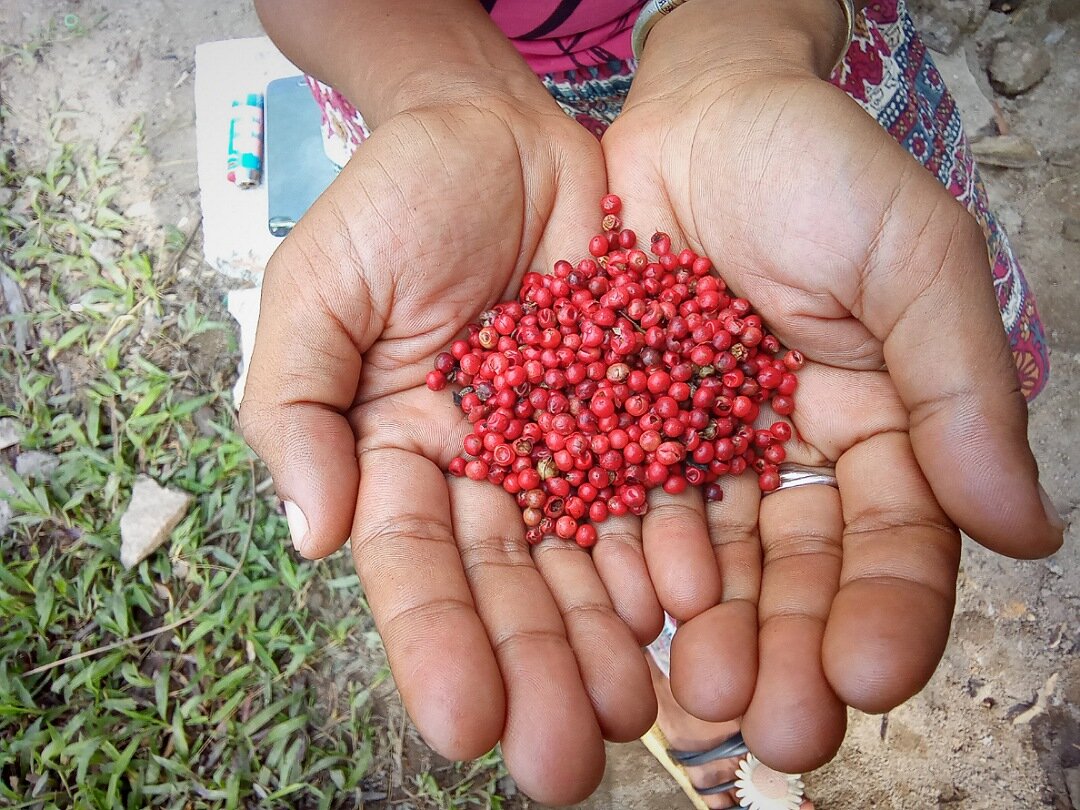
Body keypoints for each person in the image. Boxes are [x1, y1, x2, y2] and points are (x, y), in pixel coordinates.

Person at [240, 1, 1064, 806]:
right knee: (630, 591)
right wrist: (446, 91)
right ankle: (672, 692)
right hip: (439, 111)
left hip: (776, 68)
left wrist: (740, 42)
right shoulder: (550, 349)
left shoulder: (705, 352)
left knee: (757, 532)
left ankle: (688, 686)